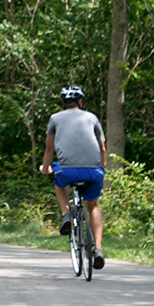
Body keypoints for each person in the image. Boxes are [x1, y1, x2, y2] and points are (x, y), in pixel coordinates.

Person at [38, 85, 106, 269]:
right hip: (93, 171)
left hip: (66, 170)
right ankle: (98, 249)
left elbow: (49, 149)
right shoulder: (92, 117)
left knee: (59, 183)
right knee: (93, 206)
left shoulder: (54, 118)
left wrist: (45, 168)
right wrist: (102, 165)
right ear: (81, 102)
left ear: (63, 103)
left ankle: (66, 214)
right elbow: (102, 149)